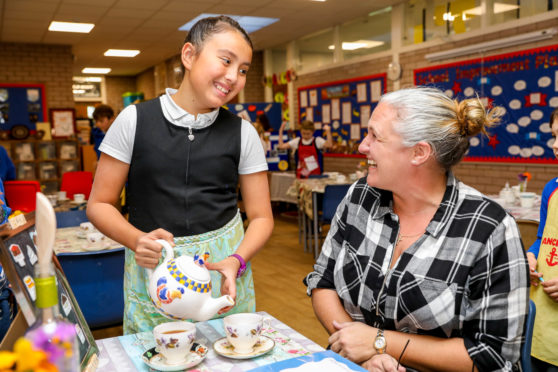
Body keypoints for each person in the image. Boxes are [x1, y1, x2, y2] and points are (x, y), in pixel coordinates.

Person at [304, 87, 529, 371]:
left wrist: (379, 341)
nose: (363, 146)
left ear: (419, 152)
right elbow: (322, 282)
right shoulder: (360, 197)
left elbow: (493, 355)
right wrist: (362, 351)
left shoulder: (489, 228)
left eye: (375, 136)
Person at [86, 15, 273, 334]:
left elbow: (261, 217)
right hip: (156, 272)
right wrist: (137, 240)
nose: (233, 77)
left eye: (243, 70)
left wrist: (237, 260)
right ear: (189, 55)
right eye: (226, 60)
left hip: (222, 273)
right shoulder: (134, 120)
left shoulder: (244, 133)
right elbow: (100, 204)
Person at [526, 107, 558, 372]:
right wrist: (530, 254)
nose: (555, 145)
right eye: (554, 136)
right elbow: (543, 237)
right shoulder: (551, 189)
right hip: (540, 322)